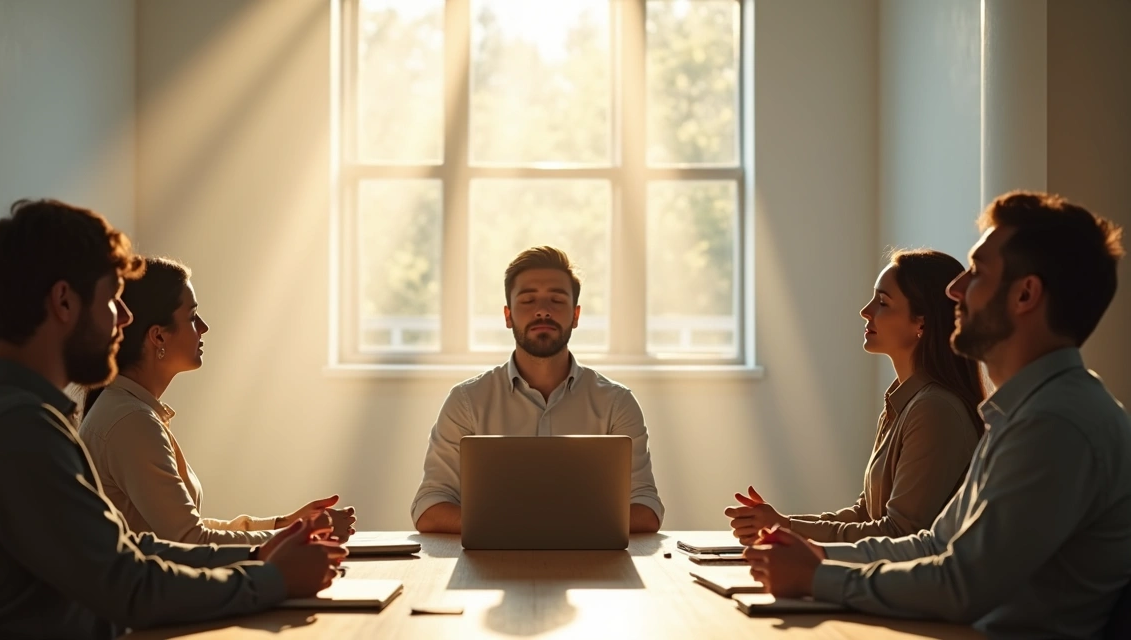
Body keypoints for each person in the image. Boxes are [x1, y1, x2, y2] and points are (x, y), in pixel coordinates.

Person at [0, 199, 345, 639]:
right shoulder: (13, 430)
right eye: (112, 299)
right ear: (64, 301)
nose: (124, 319)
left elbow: (124, 553)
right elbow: (129, 587)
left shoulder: (15, 415)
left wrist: (262, 556)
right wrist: (273, 579)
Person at [742, 191, 1131, 639]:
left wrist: (816, 577)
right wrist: (815, 558)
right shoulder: (1025, 413)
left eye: (978, 272)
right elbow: (934, 545)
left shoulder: (1057, 425)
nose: (955, 289)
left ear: (1026, 294)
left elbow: (960, 586)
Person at [78, 257, 355, 546]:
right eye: (193, 316)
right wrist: (300, 537)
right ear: (158, 335)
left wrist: (289, 525)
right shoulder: (131, 423)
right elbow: (192, 540)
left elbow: (183, 528)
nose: (204, 327)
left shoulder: (129, 411)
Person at [726, 250, 985, 543]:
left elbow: (899, 533)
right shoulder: (904, 404)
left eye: (883, 302)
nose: (866, 310)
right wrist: (782, 524)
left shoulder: (934, 411)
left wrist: (788, 529)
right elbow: (866, 515)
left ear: (921, 324)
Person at [411, 246, 664, 533]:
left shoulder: (616, 403)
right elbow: (429, 508)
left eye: (556, 300)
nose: (543, 310)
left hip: (593, 570)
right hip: (489, 570)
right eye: (528, 300)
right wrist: (529, 528)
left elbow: (646, 508)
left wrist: (540, 528)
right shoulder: (466, 401)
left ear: (576, 315)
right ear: (508, 316)